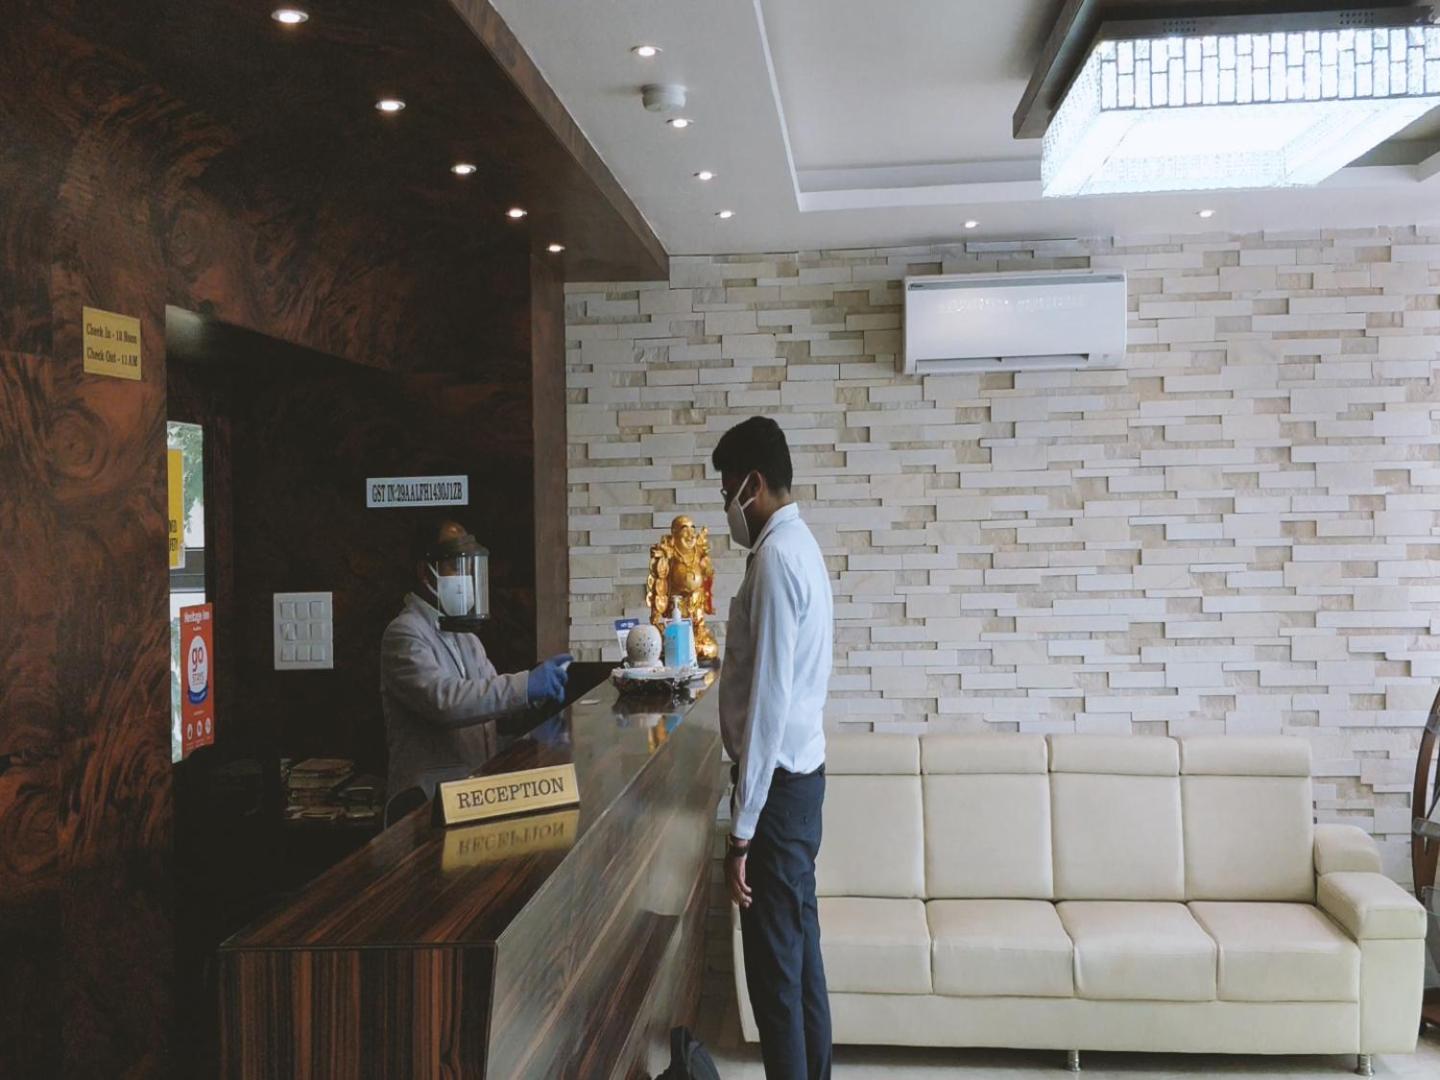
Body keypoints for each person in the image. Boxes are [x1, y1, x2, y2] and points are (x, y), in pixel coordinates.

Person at [714, 417, 833, 1080]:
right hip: (801, 782)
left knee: (776, 981)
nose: (726, 506)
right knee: (801, 964)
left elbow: (768, 705)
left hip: (779, 796)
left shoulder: (775, 561)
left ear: (753, 485)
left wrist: (742, 831)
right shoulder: (800, 546)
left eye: (728, 490)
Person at [379, 516, 571, 818]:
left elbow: (492, 706)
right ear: (425, 573)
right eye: (455, 565)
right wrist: (527, 685)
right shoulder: (404, 633)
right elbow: (445, 701)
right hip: (423, 805)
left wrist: (540, 704)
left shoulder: (465, 637)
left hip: (468, 797)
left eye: (469, 567)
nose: (466, 577)